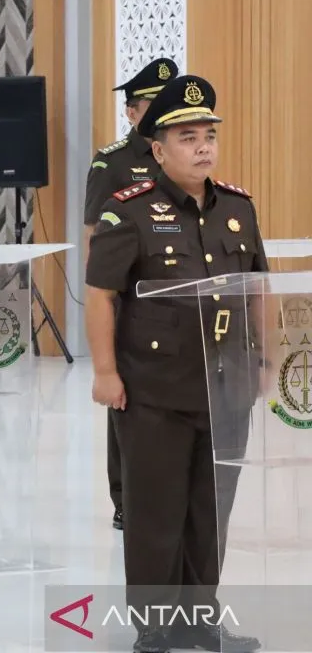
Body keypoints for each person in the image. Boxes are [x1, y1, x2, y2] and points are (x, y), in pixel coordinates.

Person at [87, 75, 264, 653]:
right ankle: (156, 626)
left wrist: (263, 358)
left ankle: (201, 619)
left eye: (209, 136)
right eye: (188, 138)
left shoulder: (237, 207)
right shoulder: (128, 212)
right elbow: (101, 295)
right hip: (154, 390)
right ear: (158, 151)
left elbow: (256, 287)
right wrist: (105, 372)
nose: (203, 147)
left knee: (210, 513)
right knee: (155, 513)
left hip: (225, 388)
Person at [84, 56, 176, 532]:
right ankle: (125, 497)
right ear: (132, 111)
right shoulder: (114, 161)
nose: (160, 111)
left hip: (176, 298)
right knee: (125, 397)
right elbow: (93, 234)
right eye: (151, 104)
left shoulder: (180, 152)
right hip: (128, 296)